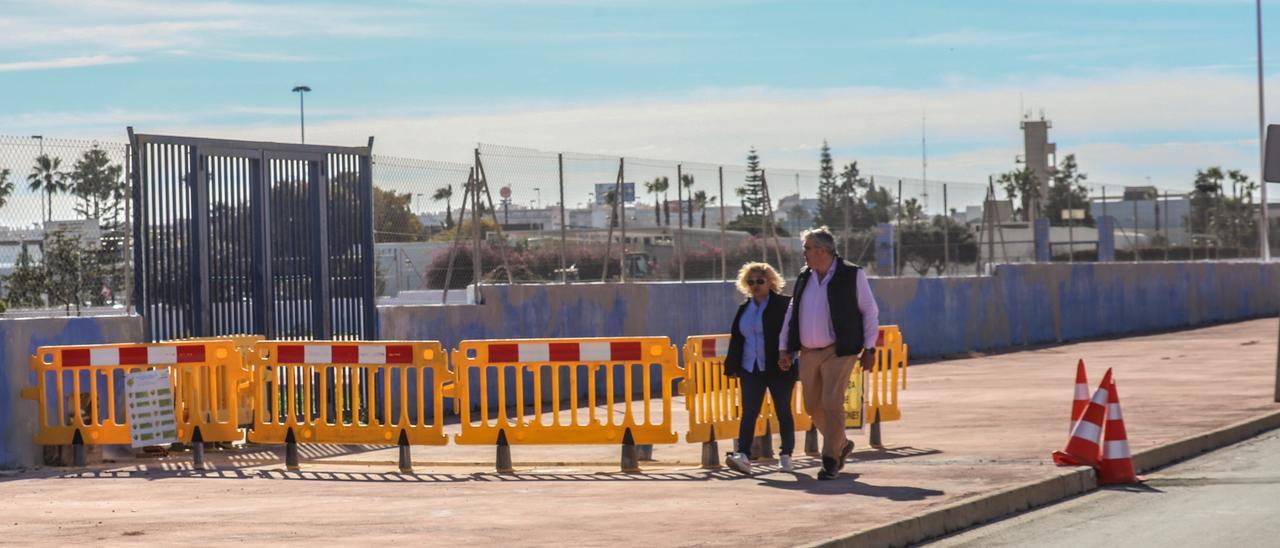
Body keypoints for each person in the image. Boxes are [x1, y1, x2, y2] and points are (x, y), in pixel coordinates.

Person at [779, 227, 879, 480]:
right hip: (809, 351)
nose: (804, 253)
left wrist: (869, 348)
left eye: (807, 248)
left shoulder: (851, 274)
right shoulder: (805, 276)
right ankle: (842, 445)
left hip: (840, 350)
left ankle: (830, 460)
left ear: (822, 251)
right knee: (812, 406)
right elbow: (792, 313)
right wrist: (785, 347)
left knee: (832, 402)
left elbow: (869, 311)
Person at [723, 262, 796, 475]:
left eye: (760, 281)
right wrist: (733, 366)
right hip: (750, 367)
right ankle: (743, 455)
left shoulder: (784, 305)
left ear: (770, 282)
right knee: (749, 412)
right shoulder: (744, 308)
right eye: (751, 281)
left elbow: (793, 332)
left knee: (783, 410)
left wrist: (790, 355)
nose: (755, 285)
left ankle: (785, 455)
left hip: (778, 367)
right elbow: (737, 338)